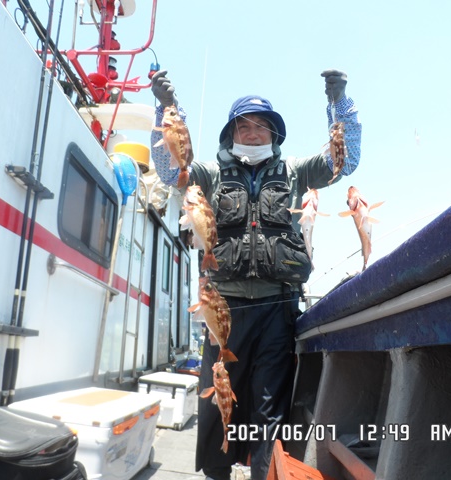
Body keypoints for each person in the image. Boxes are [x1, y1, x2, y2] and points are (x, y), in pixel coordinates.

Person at [150, 69, 361, 480]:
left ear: (273, 133)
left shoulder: (296, 170)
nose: (251, 133)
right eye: (243, 126)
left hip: (277, 310)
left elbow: (345, 161)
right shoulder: (209, 173)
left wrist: (340, 104)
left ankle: (266, 472)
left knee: (269, 405)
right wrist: (166, 110)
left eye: (260, 126)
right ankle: (217, 472)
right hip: (221, 307)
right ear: (231, 133)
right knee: (217, 398)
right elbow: (169, 170)